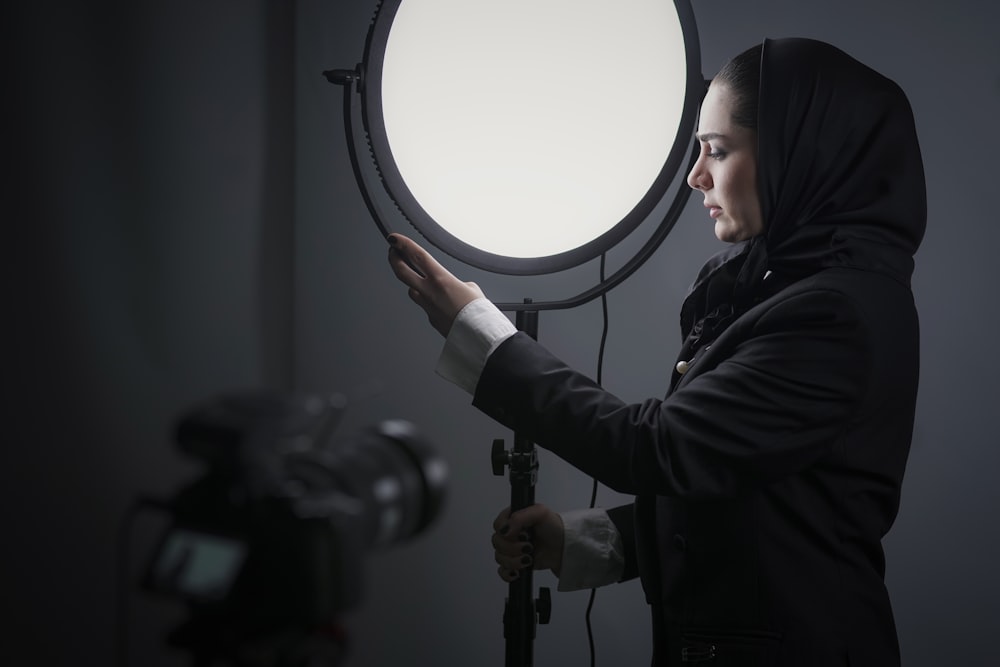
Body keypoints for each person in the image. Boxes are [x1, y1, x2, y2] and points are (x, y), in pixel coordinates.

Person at [386, 37, 925, 666]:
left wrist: (483, 337)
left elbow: (661, 449)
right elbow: (749, 499)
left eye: (717, 152)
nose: (697, 175)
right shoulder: (782, 288)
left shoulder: (835, 315)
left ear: (797, 153)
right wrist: (584, 540)